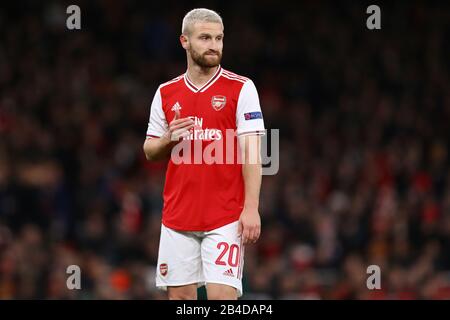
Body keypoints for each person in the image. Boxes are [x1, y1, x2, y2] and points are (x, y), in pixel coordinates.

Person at [143, 8, 265, 300]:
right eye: (205, 38)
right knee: (181, 301)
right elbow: (149, 151)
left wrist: (251, 207)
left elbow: (252, 154)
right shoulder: (166, 93)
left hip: (225, 217)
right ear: (184, 41)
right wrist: (168, 140)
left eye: (219, 38)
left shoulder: (241, 88)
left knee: (222, 298)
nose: (214, 45)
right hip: (178, 216)